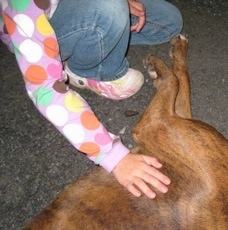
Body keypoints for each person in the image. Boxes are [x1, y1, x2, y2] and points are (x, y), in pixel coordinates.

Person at [0, 0, 184, 198]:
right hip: (36, 27)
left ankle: (102, 24)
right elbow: (44, 90)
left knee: (170, 22)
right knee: (109, 9)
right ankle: (86, 69)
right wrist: (113, 156)